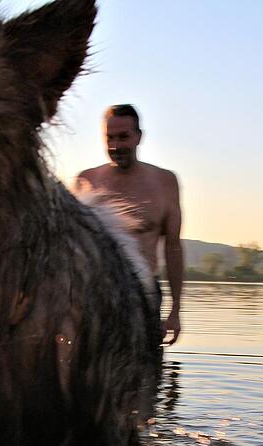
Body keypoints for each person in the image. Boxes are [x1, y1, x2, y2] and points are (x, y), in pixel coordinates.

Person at [77, 104, 184, 345]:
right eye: (110, 138)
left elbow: (173, 248)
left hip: (143, 297)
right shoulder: (87, 181)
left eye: (123, 137)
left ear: (139, 137)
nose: (116, 146)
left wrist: (176, 310)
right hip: (96, 298)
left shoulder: (165, 183)